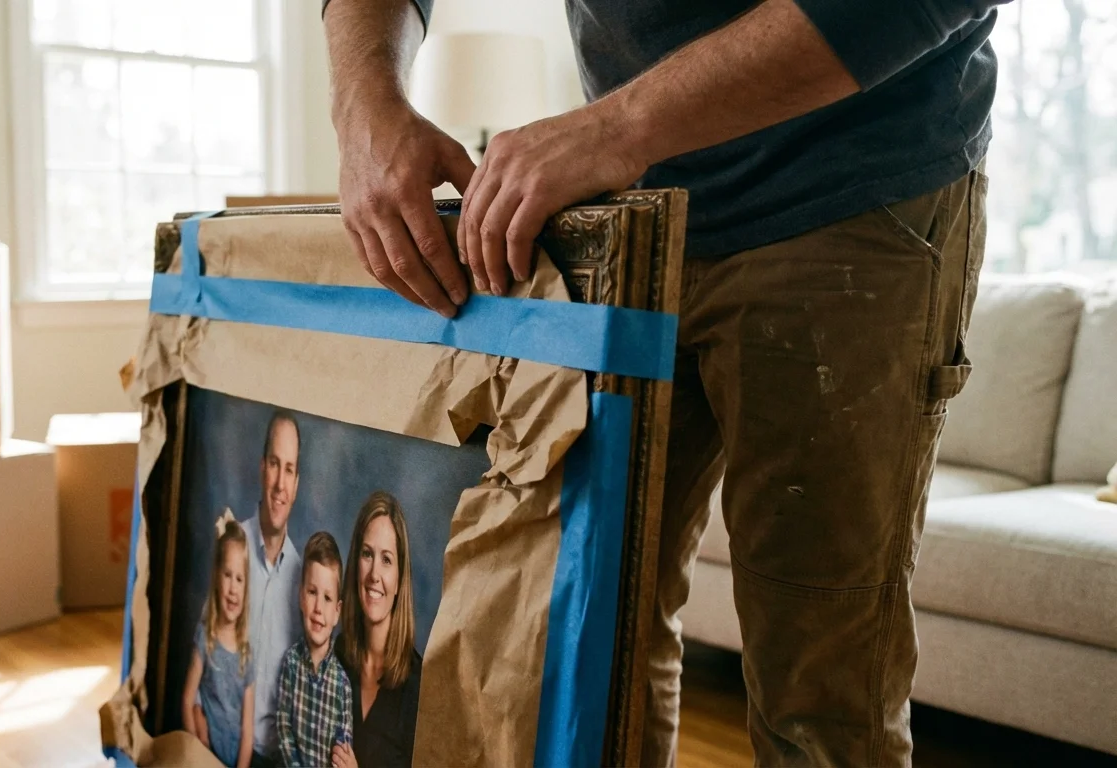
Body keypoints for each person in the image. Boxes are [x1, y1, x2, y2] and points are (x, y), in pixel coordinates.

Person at [323, 0, 1001, 764]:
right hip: (628, 217)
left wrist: (617, 128)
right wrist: (364, 107)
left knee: (820, 692)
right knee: (588, 652)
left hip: (847, 190)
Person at [332, 492, 420, 768]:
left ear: (399, 578)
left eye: (386, 560)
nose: (374, 575)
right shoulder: (340, 653)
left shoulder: (419, 689)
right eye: (367, 554)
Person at [239, 411, 305, 767]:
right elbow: (205, 638)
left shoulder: (302, 581)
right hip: (220, 739)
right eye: (275, 465)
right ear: (262, 468)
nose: (280, 483)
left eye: (290, 469)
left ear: (296, 484)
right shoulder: (231, 546)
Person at [181, 513, 256, 768]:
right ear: (216, 577)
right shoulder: (205, 639)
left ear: (246, 588)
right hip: (204, 756)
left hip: (234, 761)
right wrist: (197, 755)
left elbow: (248, 731)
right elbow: (188, 699)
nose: (233, 588)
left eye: (239, 579)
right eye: (227, 575)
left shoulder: (246, 655)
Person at [276, 532, 355, 767]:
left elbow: (342, 748)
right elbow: (283, 726)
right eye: (312, 593)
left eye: (328, 598)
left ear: (337, 612)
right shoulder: (290, 663)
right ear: (301, 597)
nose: (319, 608)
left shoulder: (342, 686)